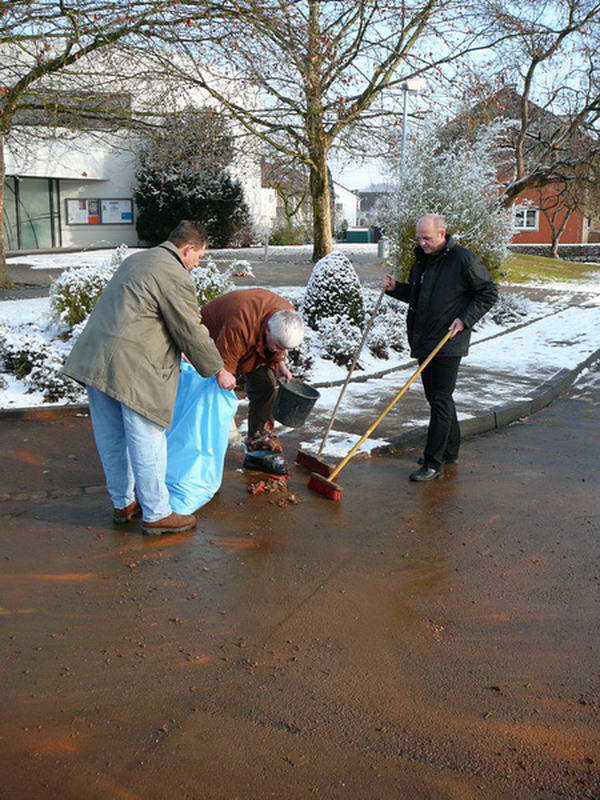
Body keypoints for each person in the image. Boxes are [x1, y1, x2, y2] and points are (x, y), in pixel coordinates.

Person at [63, 221, 236, 533]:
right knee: (148, 440)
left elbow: (140, 313)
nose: (198, 263)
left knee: (112, 439)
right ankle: (157, 514)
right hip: (133, 367)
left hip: (96, 359)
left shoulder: (139, 259)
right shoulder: (173, 272)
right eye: (199, 256)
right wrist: (218, 370)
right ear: (187, 250)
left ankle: (124, 503)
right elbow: (190, 329)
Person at [384, 213, 498, 482]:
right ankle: (450, 450)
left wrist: (465, 319)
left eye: (427, 238)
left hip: (448, 341)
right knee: (440, 399)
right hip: (424, 339)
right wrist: (395, 288)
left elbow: (489, 293)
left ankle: (433, 463)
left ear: (442, 233)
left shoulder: (463, 260)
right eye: (419, 237)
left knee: (440, 399)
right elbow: (418, 296)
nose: (422, 242)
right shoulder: (423, 260)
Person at [200, 288, 305, 475]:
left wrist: (280, 361)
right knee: (210, 399)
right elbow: (221, 375)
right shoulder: (239, 326)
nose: (283, 351)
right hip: (213, 341)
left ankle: (257, 450)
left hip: (254, 343)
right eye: (279, 347)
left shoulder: (285, 315)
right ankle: (205, 458)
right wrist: (230, 425)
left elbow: (278, 345)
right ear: (267, 330)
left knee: (265, 387)